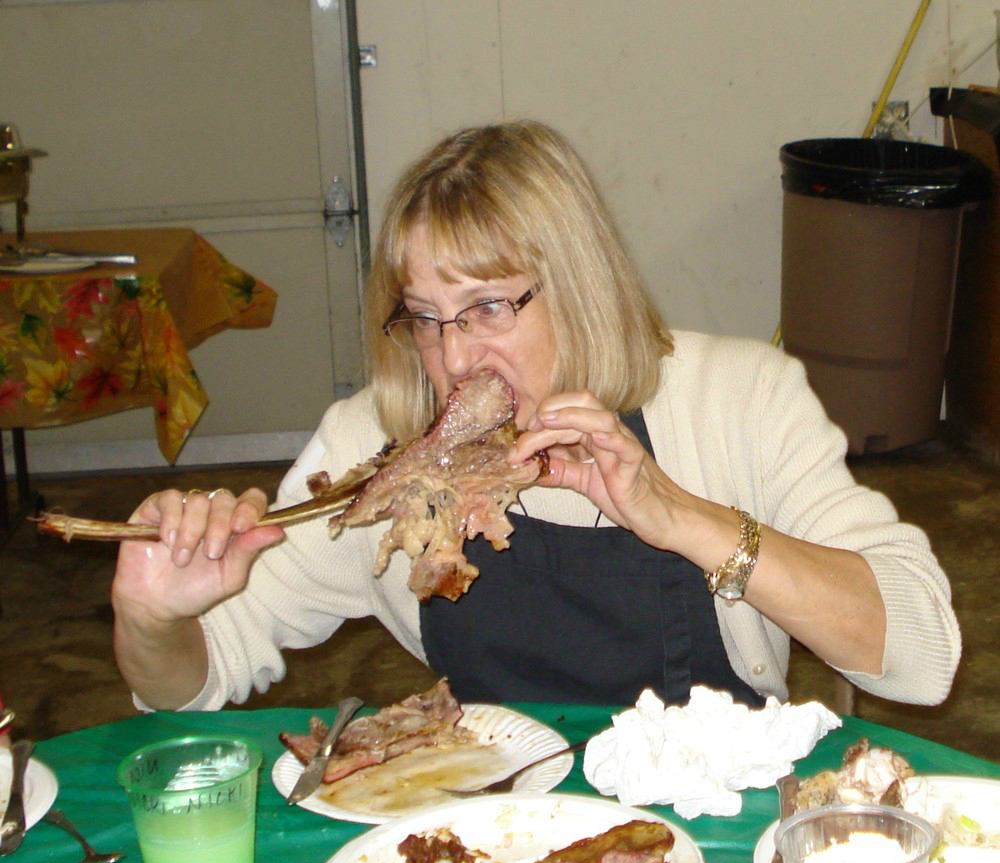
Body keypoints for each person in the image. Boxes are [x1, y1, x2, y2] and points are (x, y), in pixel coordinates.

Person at [111, 120, 960, 713]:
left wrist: (681, 517)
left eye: (487, 307)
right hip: (498, 842)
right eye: (425, 316)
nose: (453, 359)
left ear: (579, 288)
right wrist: (154, 619)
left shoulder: (738, 399)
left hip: (715, 828)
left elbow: (923, 656)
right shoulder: (380, 447)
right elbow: (196, 674)